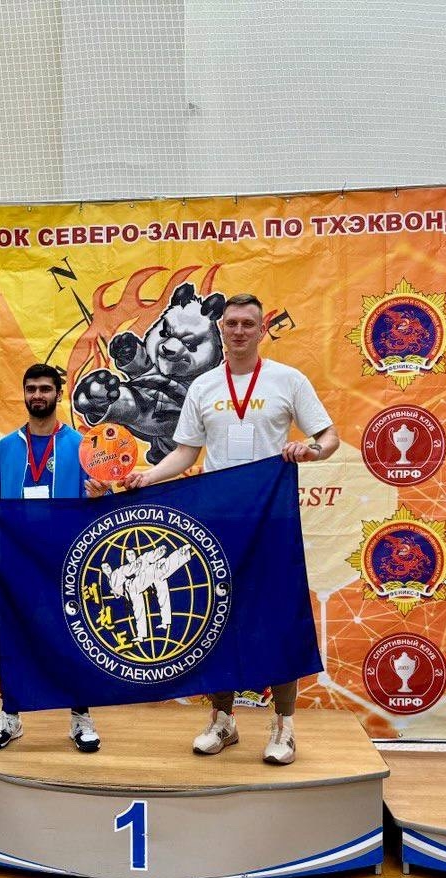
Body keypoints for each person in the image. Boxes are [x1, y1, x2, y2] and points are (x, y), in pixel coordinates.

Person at [122, 293, 338, 765]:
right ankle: (223, 719)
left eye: (248, 324)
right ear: (221, 329)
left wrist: (310, 451)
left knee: (279, 618)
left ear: (262, 330)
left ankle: (284, 726)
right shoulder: (203, 386)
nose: (239, 331)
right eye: (232, 323)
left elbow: (328, 437)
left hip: (271, 519)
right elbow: (186, 452)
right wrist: (147, 477)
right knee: (216, 617)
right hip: (218, 520)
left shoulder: (288, 380)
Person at [0, 363, 108, 752]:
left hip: (67, 559)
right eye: (31, 389)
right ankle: (11, 714)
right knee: (16, 636)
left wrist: (99, 494)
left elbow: (101, 496)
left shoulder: (81, 445)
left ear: (58, 394)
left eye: (45, 388)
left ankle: (80, 716)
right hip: (19, 561)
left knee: (75, 636)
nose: (38, 395)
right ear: (24, 394)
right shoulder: (8, 447)